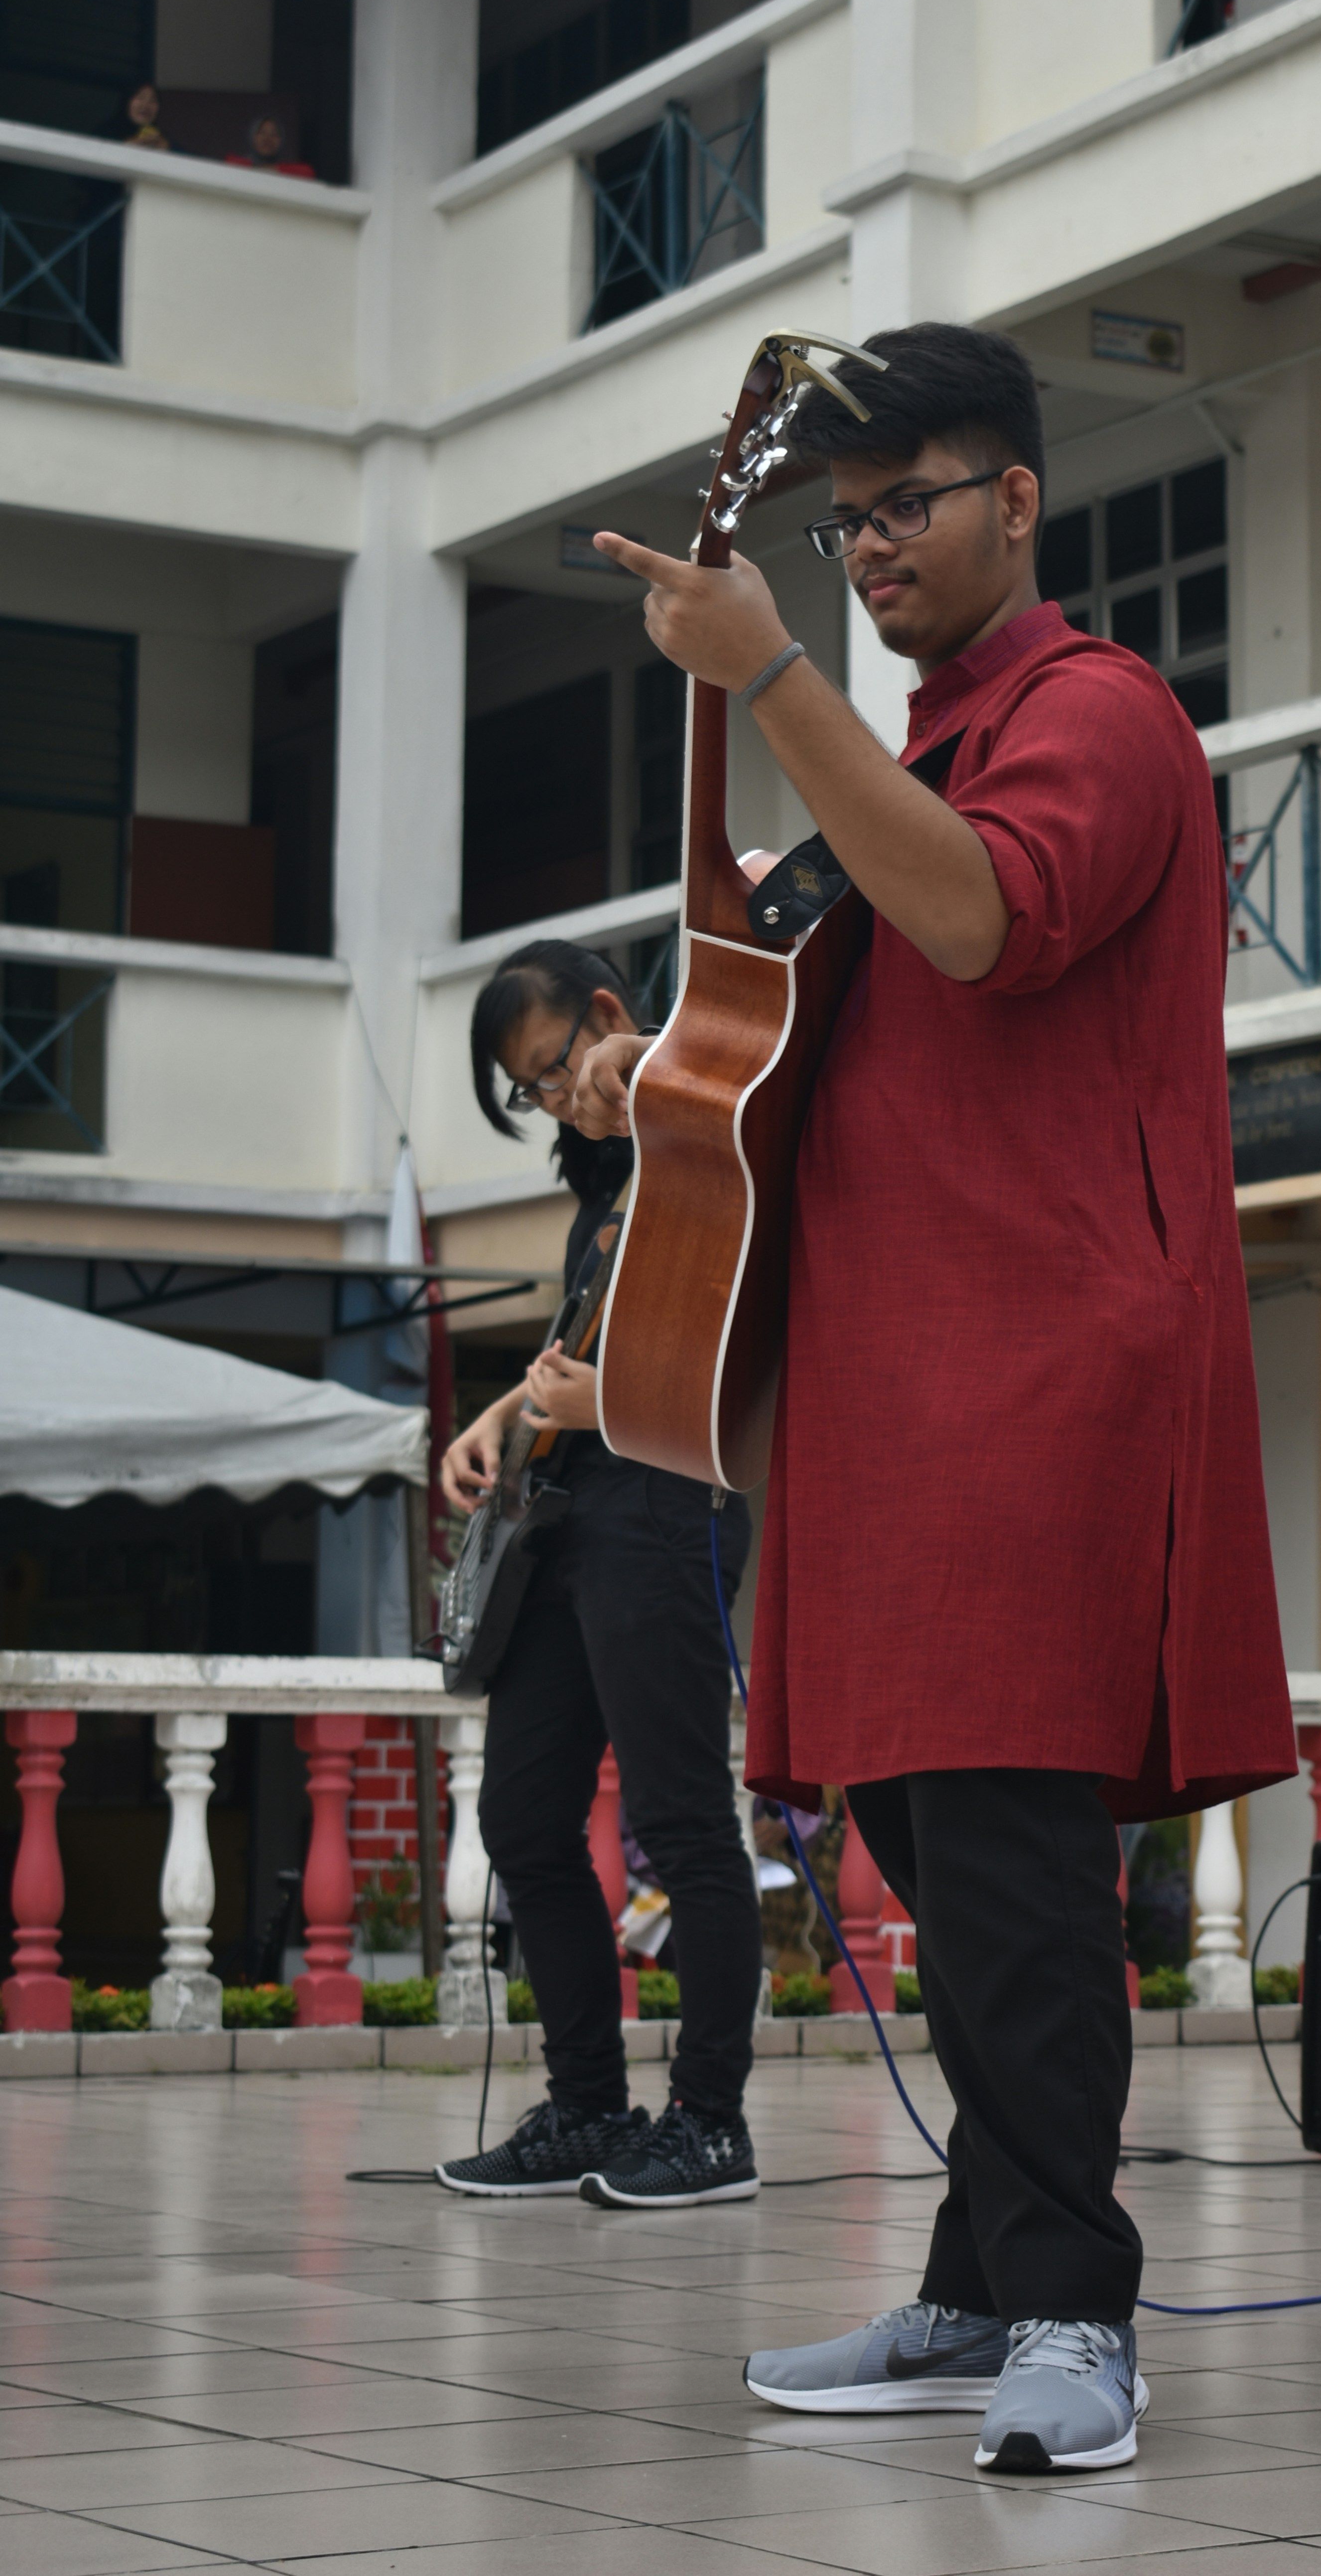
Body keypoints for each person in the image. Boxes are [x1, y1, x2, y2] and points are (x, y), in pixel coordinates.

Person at [570, 324, 1296, 2471]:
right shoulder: (914, 755)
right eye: (847, 513)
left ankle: (1073, 2315)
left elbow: (982, 923)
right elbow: (808, 1013)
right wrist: (666, 1060)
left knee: (1000, 1849)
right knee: (922, 1836)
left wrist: (766, 674)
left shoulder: (1095, 715)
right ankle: (983, 2288)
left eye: (910, 500)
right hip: (895, 1392)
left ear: (1017, 506)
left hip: (1042, 1366)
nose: (871, 541)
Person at [433, 937, 763, 2208]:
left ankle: (709, 2124)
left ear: (610, 1016)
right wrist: (502, 1421)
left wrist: (601, 1399)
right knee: (522, 1816)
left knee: (683, 1824)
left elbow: (740, 1358)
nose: (555, 1100)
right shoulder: (609, 1185)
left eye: (551, 1069)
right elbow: (580, 1360)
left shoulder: (708, 1139)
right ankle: (584, 2108)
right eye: (532, 1091)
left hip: (666, 1509)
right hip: (571, 1520)